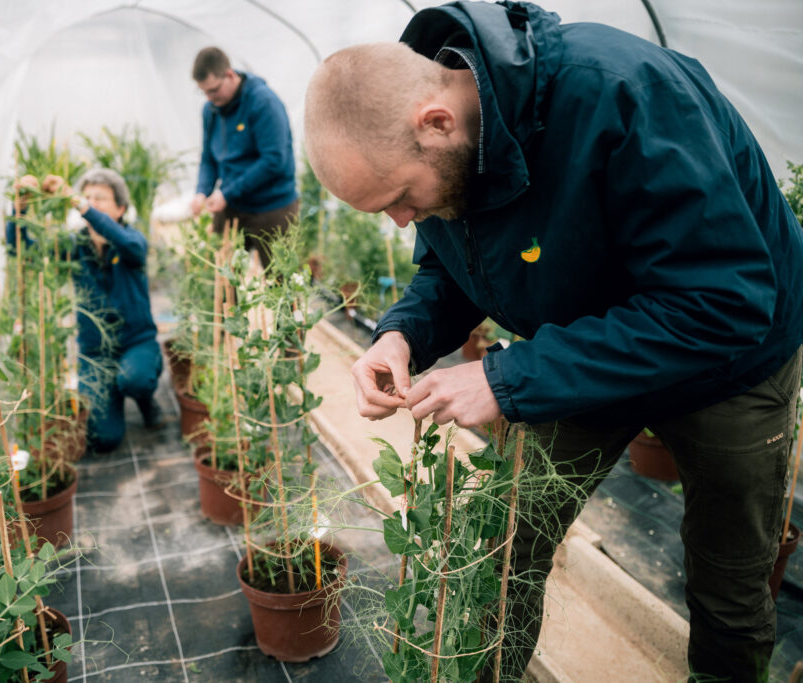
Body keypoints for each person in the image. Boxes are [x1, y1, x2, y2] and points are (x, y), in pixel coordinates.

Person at [304, 2, 803, 680]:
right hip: (581, 346)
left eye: (399, 198)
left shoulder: (621, 93)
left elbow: (722, 302)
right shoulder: (443, 152)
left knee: (729, 585)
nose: (399, 220)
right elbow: (451, 267)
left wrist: (507, 379)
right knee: (498, 549)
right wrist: (401, 334)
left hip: (730, 360)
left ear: (437, 122)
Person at [7, 168, 162, 454]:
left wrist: (78, 203)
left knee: (135, 379)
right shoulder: (74, 245)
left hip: (136, 342)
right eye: (87, 196)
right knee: (104, 439)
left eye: (99, 198)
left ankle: (144, 399)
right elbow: (21, 250)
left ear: (121, 208)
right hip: (96, 352)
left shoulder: (132, 241)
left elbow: (124, 241)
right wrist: (20, 208)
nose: (90, 203)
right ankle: (114, 396)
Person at [190, 46, 298, 268]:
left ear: (230, 75)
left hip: (271, 206)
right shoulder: (211, 109)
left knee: (279, 278)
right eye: (204, 92)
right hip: (232, 205)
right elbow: (209, 158)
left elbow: (274, 160)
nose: (209, 98)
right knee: (222, 273)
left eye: (214, 90)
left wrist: (227, 193)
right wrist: (202, 191)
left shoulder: (263, 103)